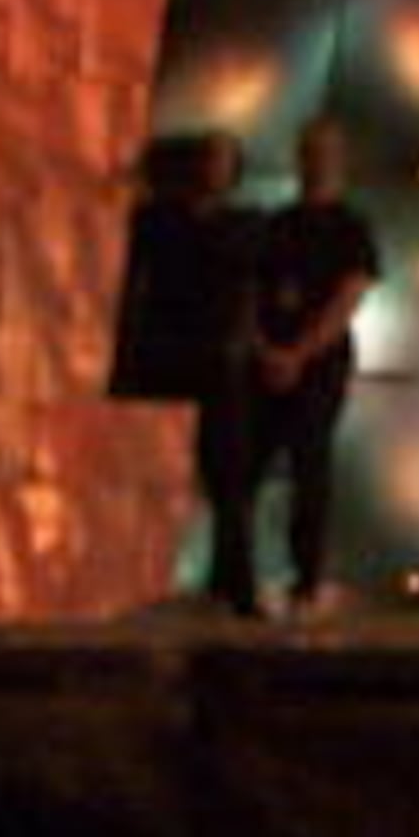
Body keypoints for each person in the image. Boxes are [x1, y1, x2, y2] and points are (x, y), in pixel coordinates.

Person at [114, 128, 262, 614]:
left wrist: (245, 345)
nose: (212, 171)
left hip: (219, 363)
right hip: (164, 356)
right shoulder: (157, 221)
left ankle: (233, 587)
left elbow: (252, 291)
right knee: (150, 475)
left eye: (221, 161)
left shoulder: (245, 225)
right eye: (206, 160)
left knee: (231, 479)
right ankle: (137, 582)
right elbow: (135, 287)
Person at [244, 118, 381, 618]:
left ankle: (306, 584)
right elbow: (251, 292)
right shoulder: (276, 225)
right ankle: (241, 584)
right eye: (308, 150)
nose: (315, 160)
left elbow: (350, 296)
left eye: (324, 151)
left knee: (310, 469)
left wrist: (299, 354)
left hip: (319, 368)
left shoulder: (352, 228)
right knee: (245, 471)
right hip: (266, 366)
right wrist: (263, 349)